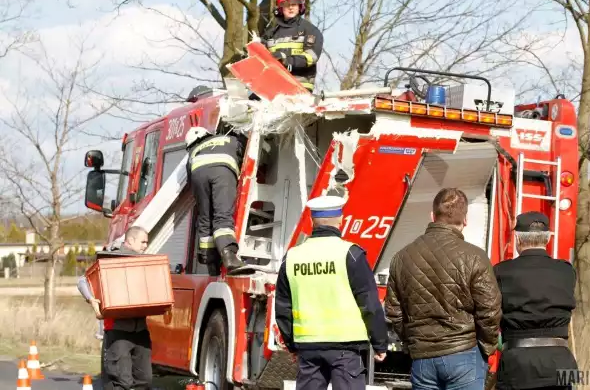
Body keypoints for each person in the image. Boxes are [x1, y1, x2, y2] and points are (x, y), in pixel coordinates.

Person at [384, 187, 502, 390]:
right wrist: (487, 346)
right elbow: (490, 310)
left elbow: (394, 312)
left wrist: (413, 341)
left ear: (432, 216)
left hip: (423, 358)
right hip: (465, 352)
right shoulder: (475, 257)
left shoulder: (401, 258)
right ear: (465, 220)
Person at [274, 195, 388, 390]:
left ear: (311, 221)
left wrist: (291, 345)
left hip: (308, 349)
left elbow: (283, 307)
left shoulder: (292, 257)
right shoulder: (350, 254)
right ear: (341, 220)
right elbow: (369, 302)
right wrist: (380, 343)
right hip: (345, 349)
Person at [493, 212, 578, 390]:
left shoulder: (501, 272)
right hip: (560, 365)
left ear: (517, 239)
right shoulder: (566, 271)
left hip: (517, 367)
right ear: (547, 239)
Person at [77, 226, 152, 390]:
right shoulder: (111, 257)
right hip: (118, 330)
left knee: (145, 380)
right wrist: (91, 300)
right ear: (130, 240)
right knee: (121, 381)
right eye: (143, 242)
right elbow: (83, 281)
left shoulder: (144, 261)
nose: (146, 245)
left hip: (141, 330)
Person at [185, 124, 249, 275]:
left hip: (197, 174)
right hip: (222, 171)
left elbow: (190, 181)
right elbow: (245, 155)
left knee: (205, 217)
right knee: (222, 215)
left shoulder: (194, 151)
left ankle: (210, 261)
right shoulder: (229, 139)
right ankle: (229, 256)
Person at [261, 0, 323, 92]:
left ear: (300, 7)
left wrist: (286, 60)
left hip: (300, 86)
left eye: (294, 4)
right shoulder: (270, 34)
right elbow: (261, 58)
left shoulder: (310, 30)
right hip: (274, 87)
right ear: (280, 8)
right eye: (286, 4)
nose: (290, 7)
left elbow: (311, 56)